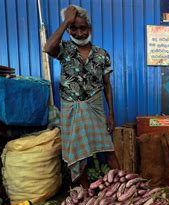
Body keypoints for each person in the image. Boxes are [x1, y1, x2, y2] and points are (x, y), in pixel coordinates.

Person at [43, 5, 119, 188]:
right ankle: (86, 193)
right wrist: (66, 22)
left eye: (82, 28)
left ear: (90, 29)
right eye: (73, 28)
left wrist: (111, 114)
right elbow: (47, 47)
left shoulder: (102, 55)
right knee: (78, 155)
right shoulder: (64, 49)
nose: (78, 32)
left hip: (95, 107)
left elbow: (107, 85)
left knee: (108, 149)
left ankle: (121, 186)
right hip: (71, 108)